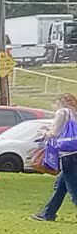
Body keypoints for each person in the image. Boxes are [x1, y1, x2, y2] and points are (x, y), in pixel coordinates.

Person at [34, 93, 77, 221]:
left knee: (73, 188)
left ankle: (48, 213)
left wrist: (44, 132)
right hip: (75, 151)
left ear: (59, 102)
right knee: (60, 186)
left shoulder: (62, 112)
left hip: (67, 154)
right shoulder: (75, 113)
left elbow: (54, 133)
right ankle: (48, 213)